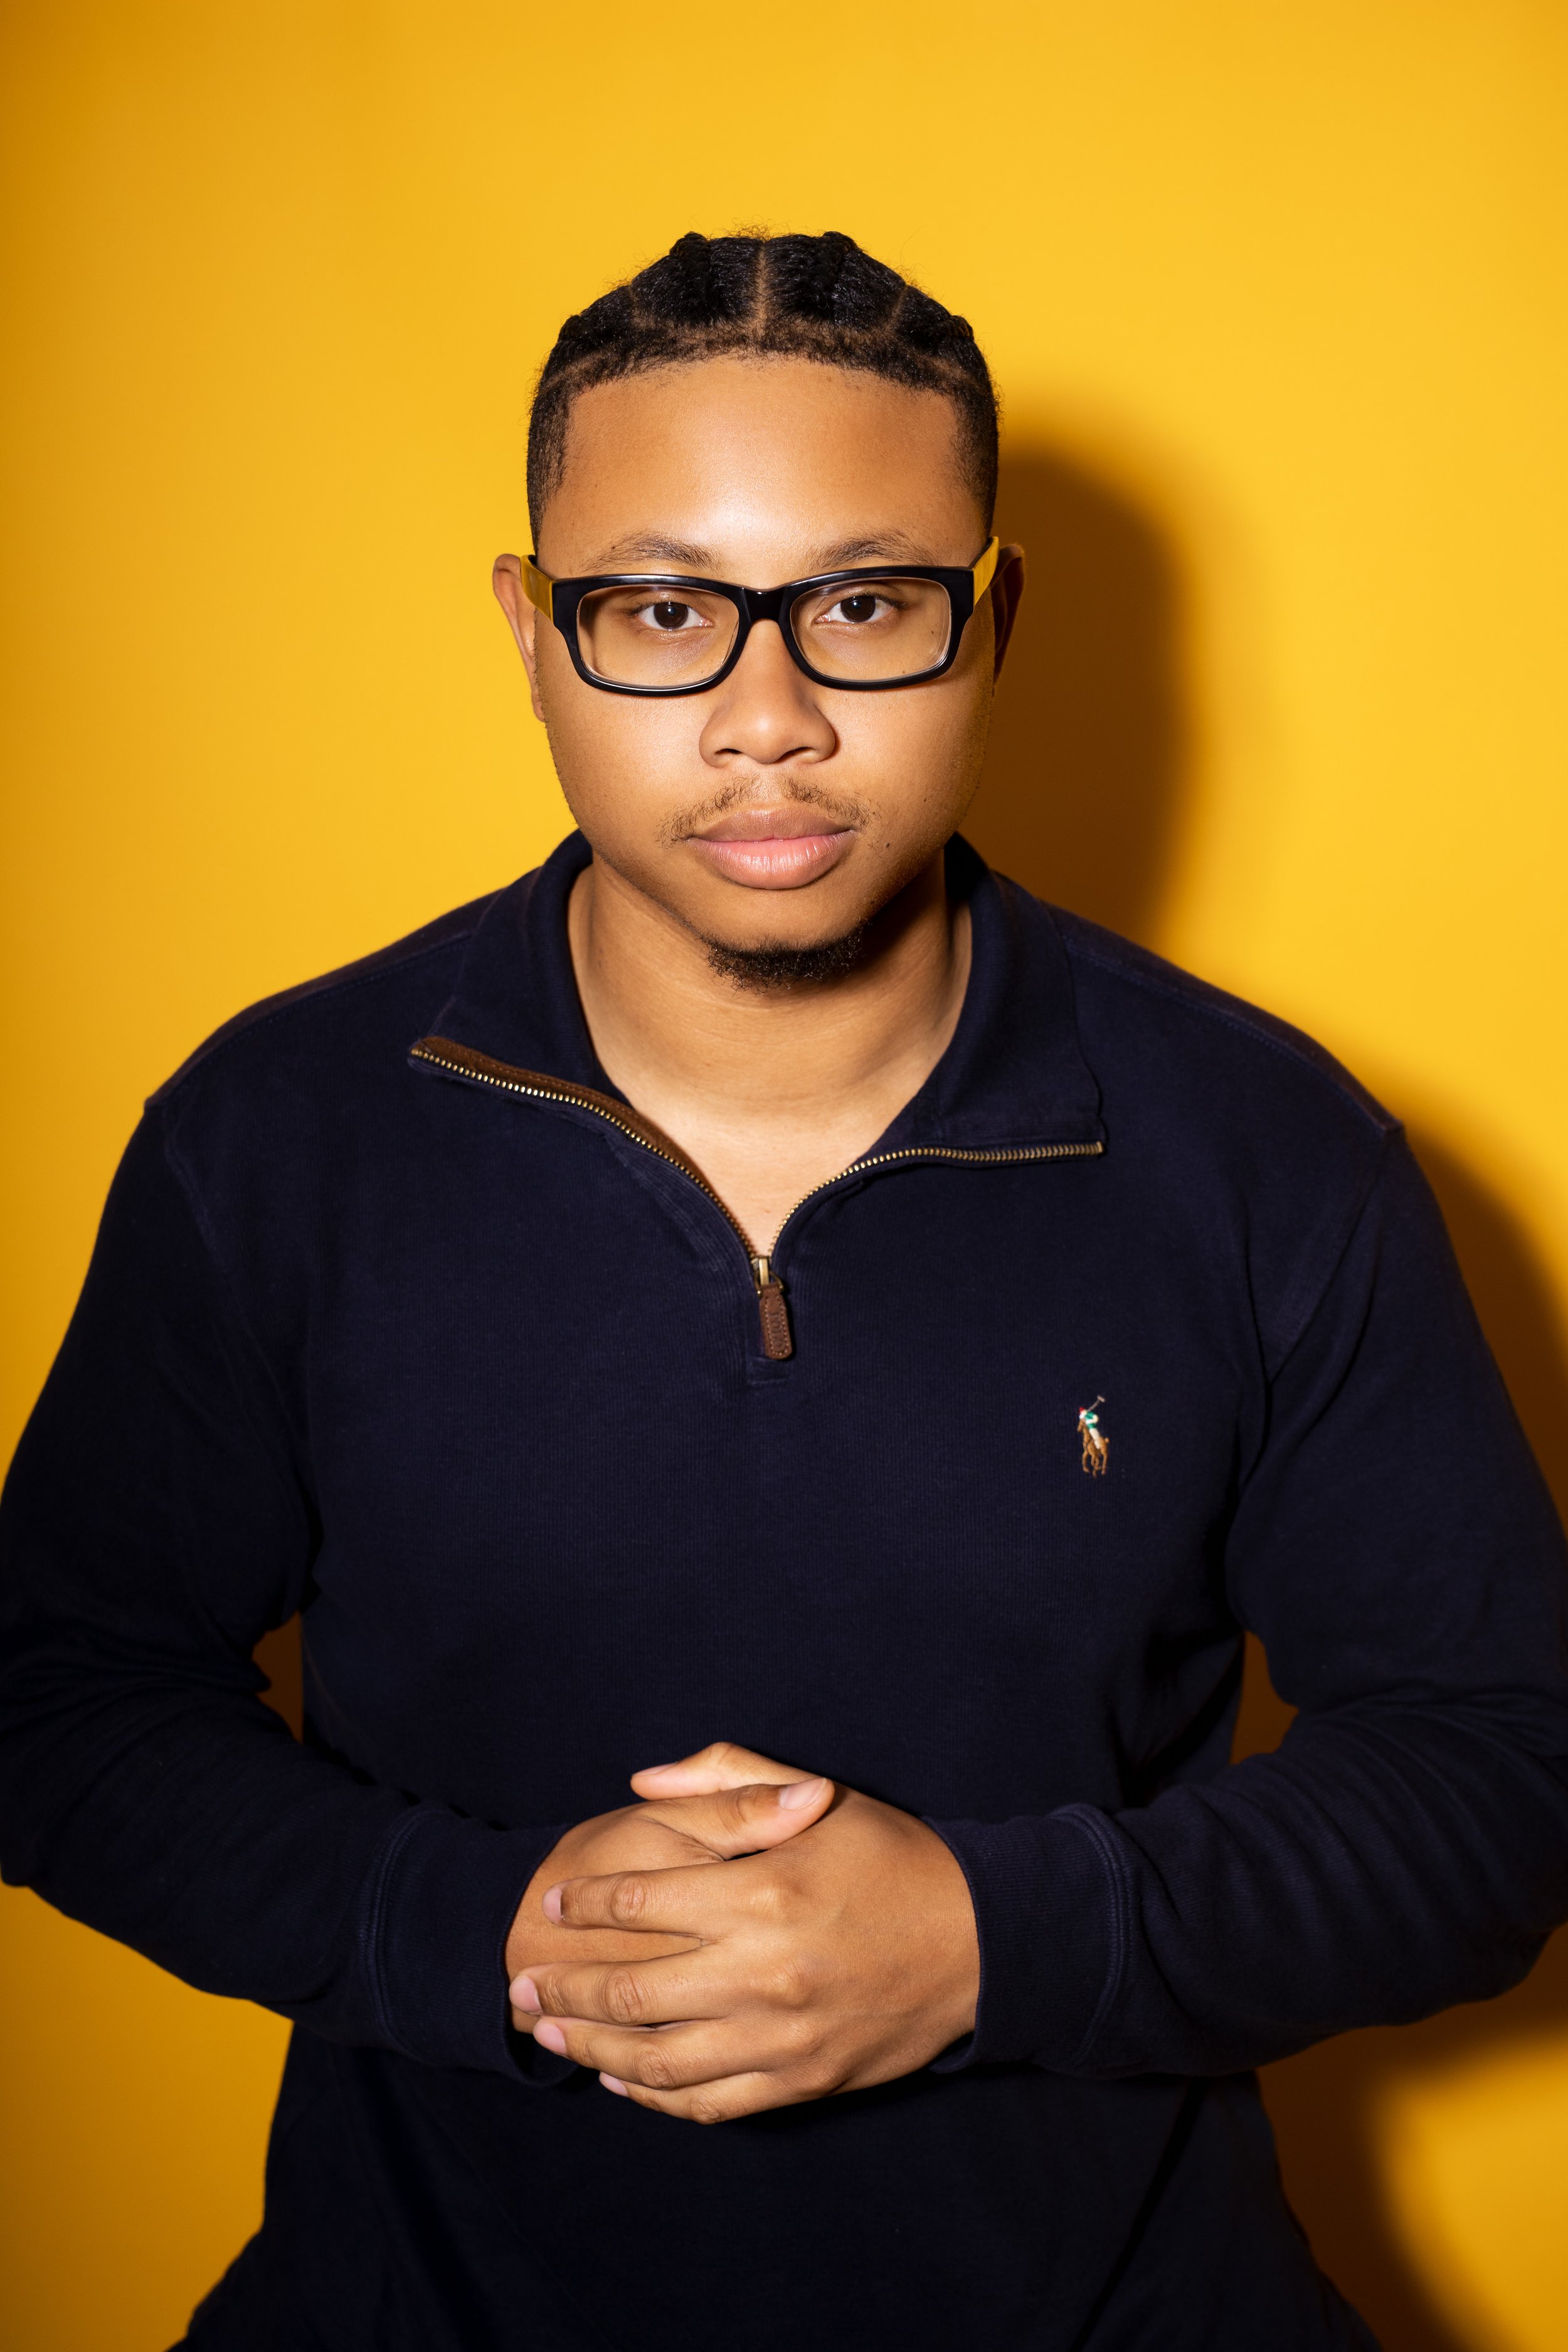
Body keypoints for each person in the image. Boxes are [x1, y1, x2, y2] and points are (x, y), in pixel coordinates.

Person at [2, 229, 1565, 2352]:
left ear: (987, 624)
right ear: (531, 634)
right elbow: (59, 1695)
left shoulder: (1267, 1149)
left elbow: (1502, 1770)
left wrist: (990, 1947)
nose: (763, 717)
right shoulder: (275, 1134)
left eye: (861, 605)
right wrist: (488, 1935)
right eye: (658, 609)